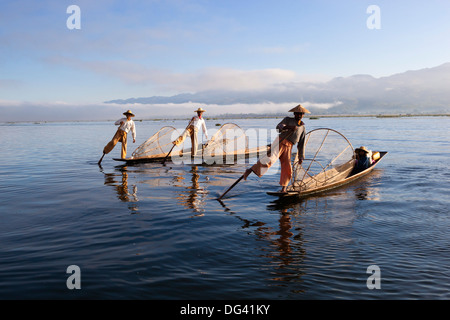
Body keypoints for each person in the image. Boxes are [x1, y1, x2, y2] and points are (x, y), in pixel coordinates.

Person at [243, 104, 309, 193]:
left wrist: (301, 156)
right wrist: (289, 127)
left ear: (303, 115)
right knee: (270, 159)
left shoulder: (302, 128)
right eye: (297, 114)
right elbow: (278, 128)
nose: (299, 116)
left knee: (287, 167)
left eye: (301, 114)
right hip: (280, 142)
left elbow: (301, 143)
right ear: (294, 114)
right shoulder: (287, 120)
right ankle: (250, 170)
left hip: (289, 147)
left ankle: (283, 189)